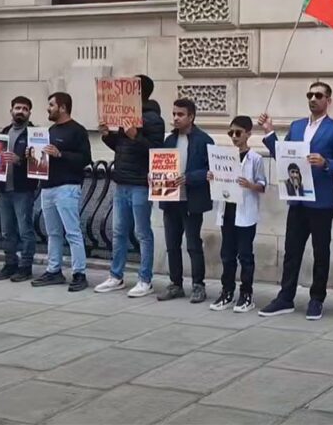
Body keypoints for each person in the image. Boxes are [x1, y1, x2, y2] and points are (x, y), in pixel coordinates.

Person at [258, 82, 333, 320]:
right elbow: (283, 152)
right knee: (292, 250)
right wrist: (269, 132)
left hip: (321, 201)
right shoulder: (297, 126)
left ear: (328, 100)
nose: (313, 98)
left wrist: (326, 162)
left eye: (318, 95)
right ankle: (285, 297)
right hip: (297, 198)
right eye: (309, 94)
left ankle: (317, 298)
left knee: (321, 251)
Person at [95, 75, 166, 298]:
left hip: (140, 183)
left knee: (142, 232)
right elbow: (120, 145)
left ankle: (145, 279)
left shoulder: (153, 119)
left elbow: (156, 151)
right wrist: (108, 136)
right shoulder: (124, 114)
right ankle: (116, 275)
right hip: (122, 180)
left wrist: (136, 136)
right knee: (118, 232)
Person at [30, 93, 93, 292]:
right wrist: (33, 154)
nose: (48, 108)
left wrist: (60, 154)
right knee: (53, 233)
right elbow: (43, 156)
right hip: (48, 186)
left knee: (72, 231)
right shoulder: (50, 130)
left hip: (67, 186)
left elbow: (85, 159)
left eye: (51, 105)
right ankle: (54, 269)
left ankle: (79, 272)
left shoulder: (77, 131)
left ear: (63, 107)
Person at [158, 98, 214, 303]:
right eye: (173, 114)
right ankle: (176, 283)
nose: (175, 118)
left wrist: (190, 177)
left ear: (191, 117)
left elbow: (212, 170)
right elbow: (160, 166)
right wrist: (154, 176)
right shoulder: (169, 140)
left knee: (192, 244)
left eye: (180, 114)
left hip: (192, 200)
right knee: (172, 244)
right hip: (170, 199)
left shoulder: (204, 140)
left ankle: (198, 285)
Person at [208, 116, 267, 313]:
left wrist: (250, 185)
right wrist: (212, 178)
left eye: (238, 133)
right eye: (231, 133)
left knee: (245, 255)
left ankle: (246, 293)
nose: (234, 137)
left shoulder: (255, 159)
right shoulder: (224, 156)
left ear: (248, 134)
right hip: (227, 211)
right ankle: (227, 291)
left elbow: (262, 185)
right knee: (227, 255)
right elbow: (219, 182)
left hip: (246, 213)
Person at [0, 97, 38, 283]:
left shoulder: (34, 134)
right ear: (11, 110)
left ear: (29, 112)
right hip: (5, 190)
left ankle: (25, 266)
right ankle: (10, 264)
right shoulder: (3, 132)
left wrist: (20, 160)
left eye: (25, 109)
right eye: (17, 108)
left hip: (23, 189)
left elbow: (40, 162)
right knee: (7, 231)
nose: (20, 111)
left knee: (25, 229)